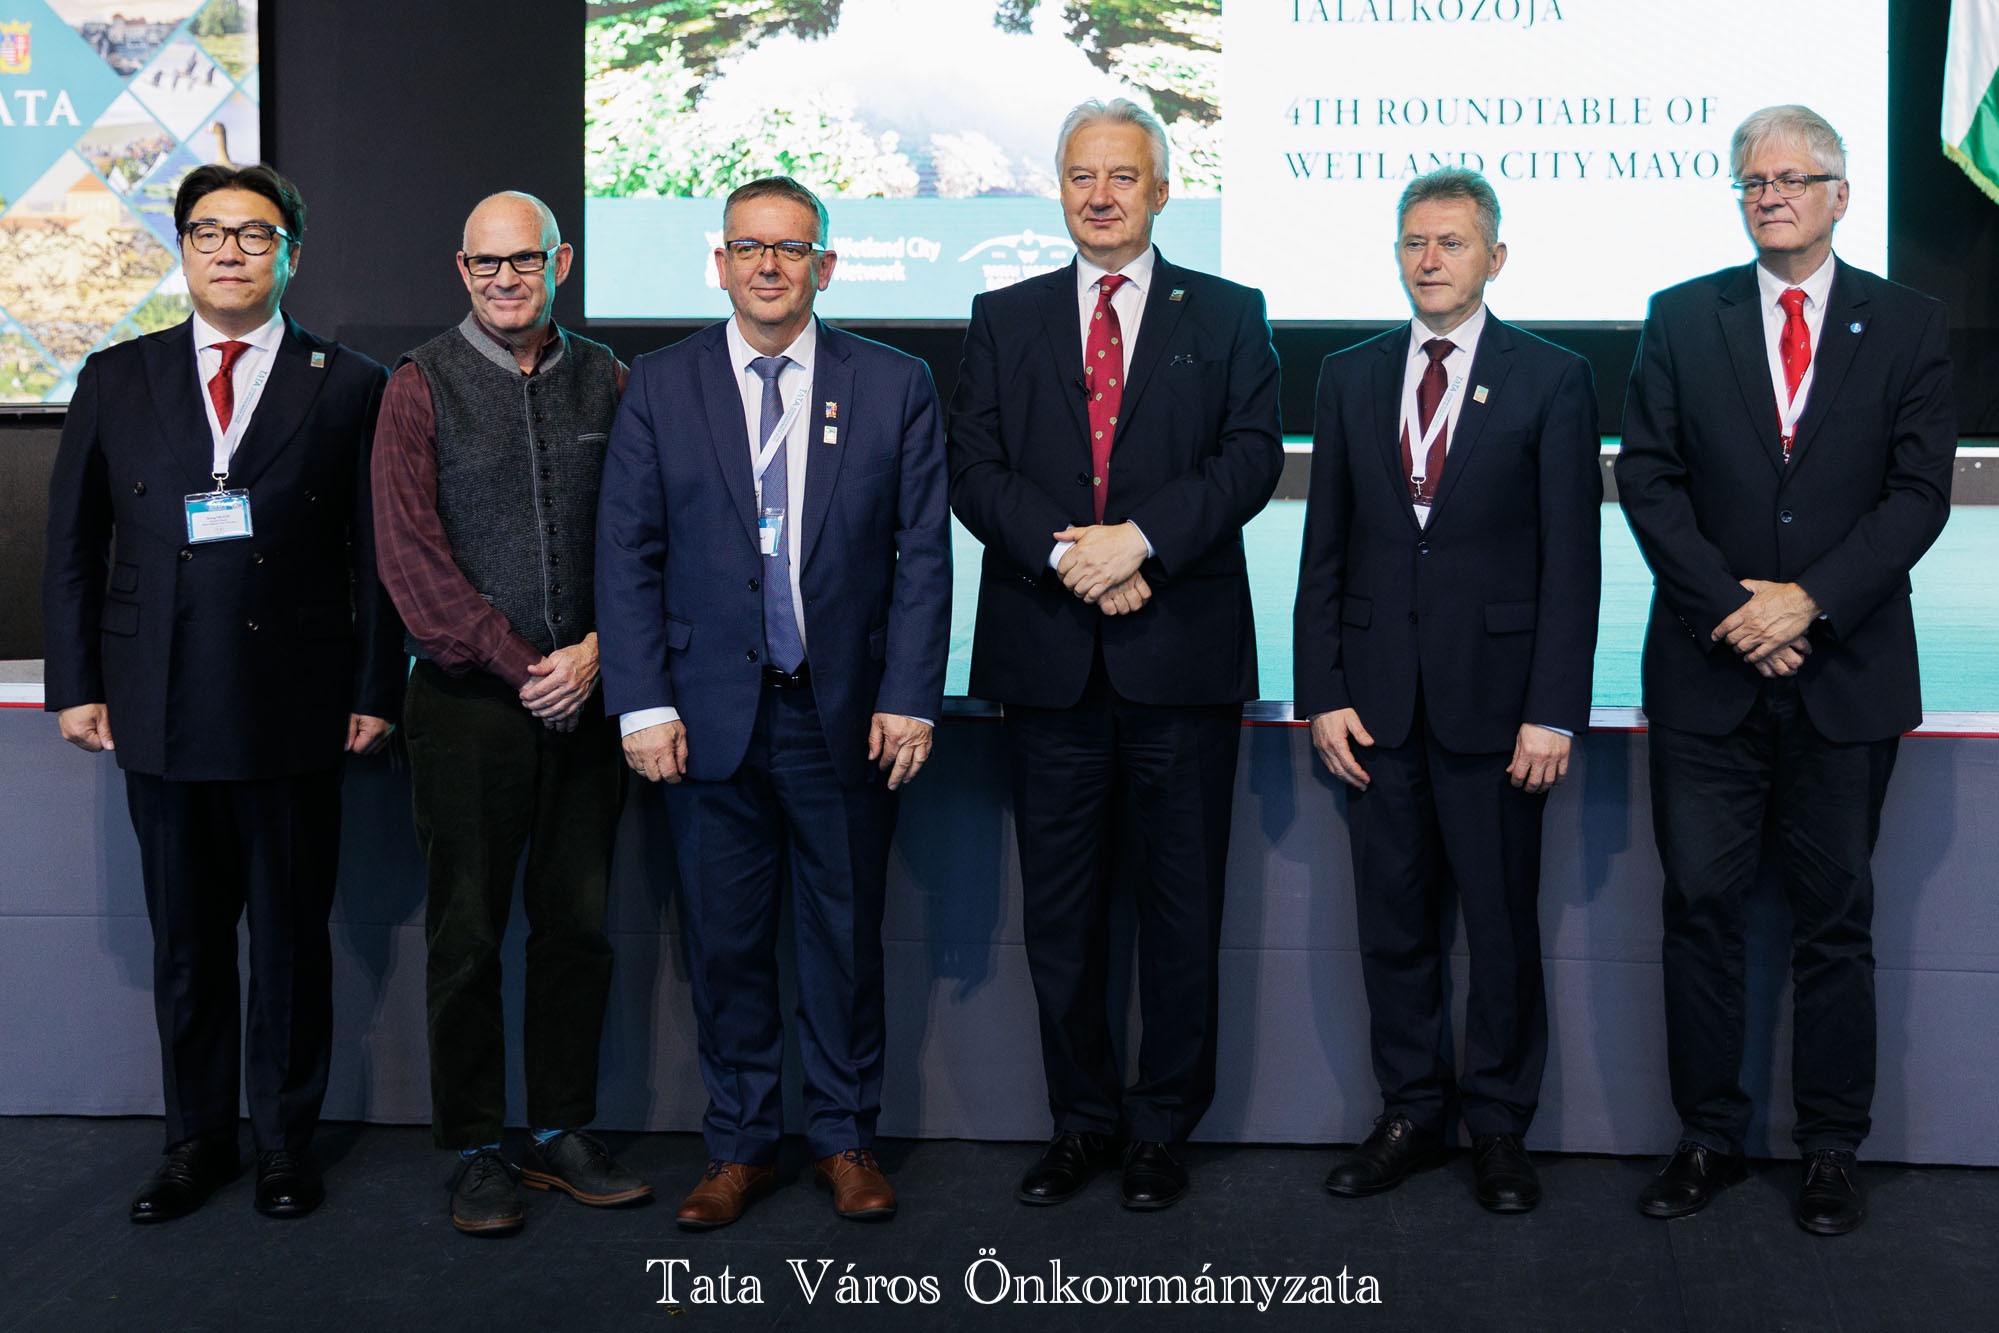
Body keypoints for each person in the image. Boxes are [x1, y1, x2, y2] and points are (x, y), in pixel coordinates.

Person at [1616, 105, 1955, 1236]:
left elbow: (1918, 493)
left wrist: (1806, 601)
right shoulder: (1680, 316)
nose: (1769, 196)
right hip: (1707, 673)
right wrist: (1734, 610)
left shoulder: (1909, 324)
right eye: (1751, 181)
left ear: (1839, 196)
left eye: (1792, 179)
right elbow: (1648, 480)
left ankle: (1829, 1148)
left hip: (1844, 672)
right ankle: (1706, 1137)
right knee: (1699, 912)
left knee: (1834, 922)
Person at [42, 163, 401, 1223]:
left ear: (292, 252)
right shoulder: (119, 374)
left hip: (297, 703)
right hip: (155, 699)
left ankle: (285, 1144)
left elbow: (378, 553)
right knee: (187, 946)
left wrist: (376, 686)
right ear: (183, 248)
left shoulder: (351, 383)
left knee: (289, 944)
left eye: (254, 233)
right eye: (209, 232)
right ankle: (194, 1141)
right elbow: (72, 546)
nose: (230, 251)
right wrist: (76, 682)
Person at [596, 176, 950, 1230]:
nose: (767, 265)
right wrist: (641, 702)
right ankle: (739, 1145)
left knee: (843, 940)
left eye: (790, 248)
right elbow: (627, 552)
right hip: (703, 717)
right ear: (719, 262)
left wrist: (911, 695)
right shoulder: (660, 384)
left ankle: (843, 1139)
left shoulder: (894, 383)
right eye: (748, 246)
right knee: (726, 943)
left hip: (841, 715)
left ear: (824, 267)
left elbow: (922, 556)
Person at [948, 98, 1282, 1210]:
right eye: (1081, 175)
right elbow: (972, 466)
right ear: (1059, 188)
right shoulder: (1003, 315)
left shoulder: (1228, 312)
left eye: (1122, 176)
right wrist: (1071, 557)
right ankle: (1080, 1122)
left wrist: (1139, 542)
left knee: (1181, 910)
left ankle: (1160, 1128)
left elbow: (1249, 457)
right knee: (1061, 917)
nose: (1100, 195)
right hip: (1049, 660)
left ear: (1162, 191)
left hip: (1178, 655)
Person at [1293, 167, 1601, 1213]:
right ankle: (1410, 1112)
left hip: (1498, 709)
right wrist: (1322, 689)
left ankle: (1498, 1126)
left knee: (1500, 930)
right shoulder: (1347, 375)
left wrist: (1553, 707)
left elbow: (1572, 563)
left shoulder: (1552, 378)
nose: (1429, 260)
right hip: (1374, 709)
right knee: (1393, 925)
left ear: (1494, 257)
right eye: (1414, 242)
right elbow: (1323, 547)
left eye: (1451, 243)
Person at [372, 191, 649, 1237]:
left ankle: (563, 1128)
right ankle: (477, 1146)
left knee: (577, 929)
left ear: (559, 264)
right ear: (461, 269)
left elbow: (643, 532)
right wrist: (527, 665)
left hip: (590, 698)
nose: (504, 279)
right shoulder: (418, 385)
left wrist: (597, 653)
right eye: (485, 263)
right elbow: (410, 559)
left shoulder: (609, 377)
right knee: (468, 936)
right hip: (466, 709)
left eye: (523, 260)